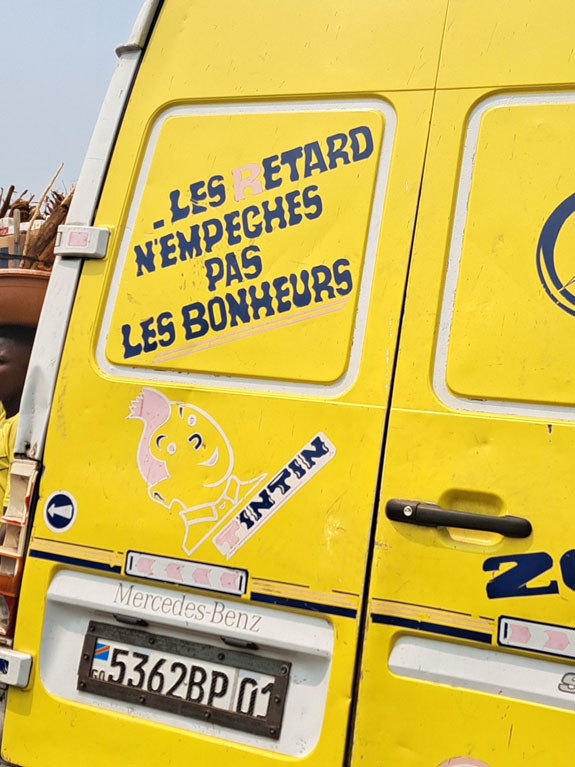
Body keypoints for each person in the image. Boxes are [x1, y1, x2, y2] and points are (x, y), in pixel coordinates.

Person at [0, 325, 36, 511]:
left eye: (1, 362)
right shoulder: (5, 416)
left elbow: (14, 511)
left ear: (29, 367)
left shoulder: (23, 427)